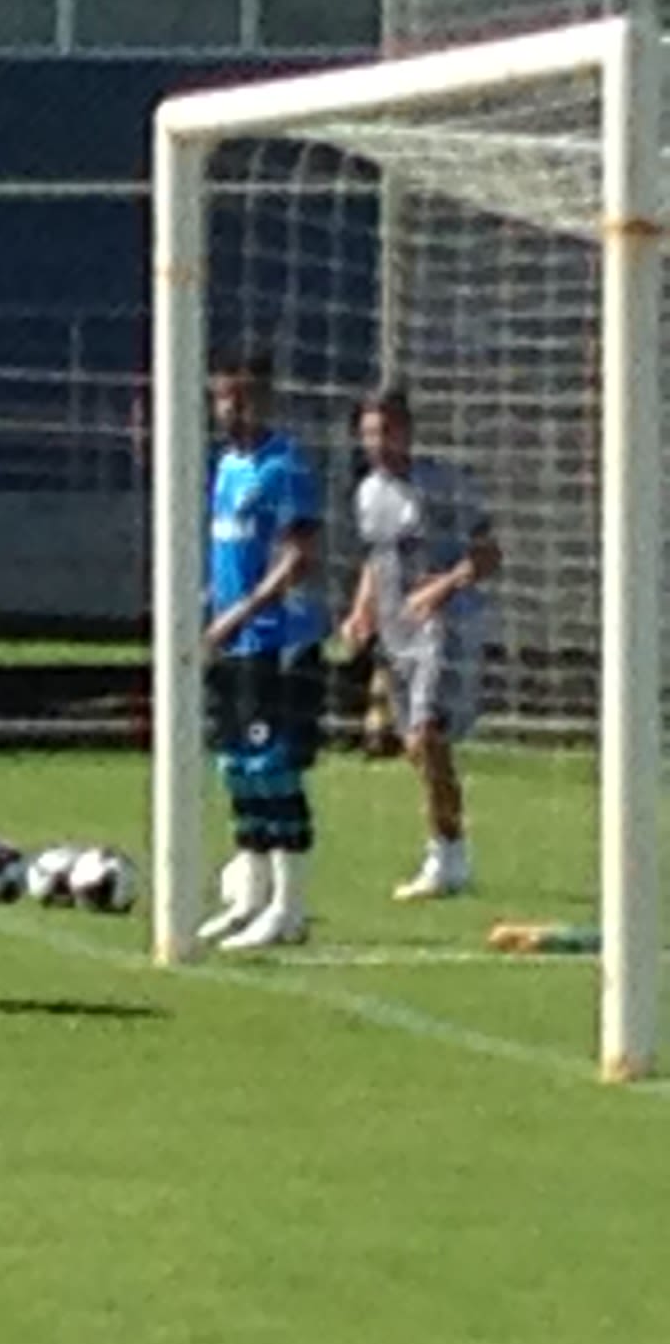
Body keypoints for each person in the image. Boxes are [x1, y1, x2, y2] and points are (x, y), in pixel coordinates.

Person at [343, 388, 499, 902]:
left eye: (385, 431)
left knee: (423, 737)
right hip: (396, 633)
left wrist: (442, 587)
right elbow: (377, 557)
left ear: (406, 431)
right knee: (419, 748)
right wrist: (360, 609)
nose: (376, 442)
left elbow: (487, 554)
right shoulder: (368, 492)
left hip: (445, 627)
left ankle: (446, 857)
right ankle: (450, 848)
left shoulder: (443, 485)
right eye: (368, 432)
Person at [197, 353, 327, 951]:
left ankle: (290, 905)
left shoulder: (285, 467)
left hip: (276, 640)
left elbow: (299, 558)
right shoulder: (226, 466)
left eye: (241, 398)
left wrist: (240, 613)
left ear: (264, 399)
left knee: (275, 766)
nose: (230, 410)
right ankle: (249, 895)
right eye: (223, 398)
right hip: (232, 641)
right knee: (237, 768)